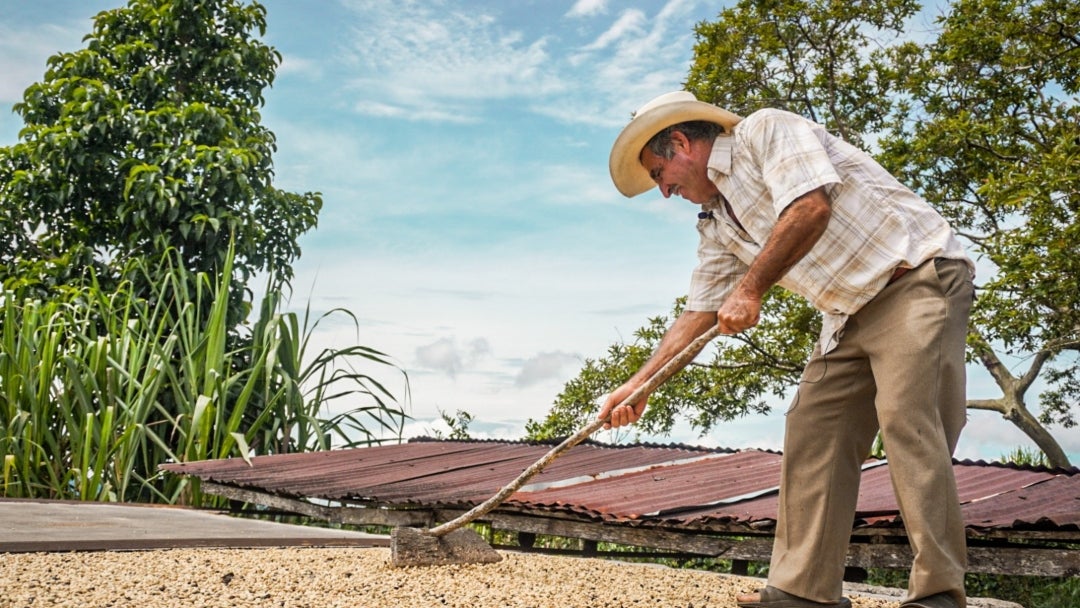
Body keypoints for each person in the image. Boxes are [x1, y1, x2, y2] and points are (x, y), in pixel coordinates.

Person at [600, 91, 974, 608]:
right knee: (812, 430)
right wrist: (642, 384)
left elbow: (810, 207)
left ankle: (937, 594)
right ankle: (802, 593)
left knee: (908, 420)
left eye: (659, 173)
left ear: (682, 143)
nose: (663, 191)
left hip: (914, 278)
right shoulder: (715, 220)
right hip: (846, 315)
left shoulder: (764, 131)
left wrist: (750, 289)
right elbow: (701, 311)